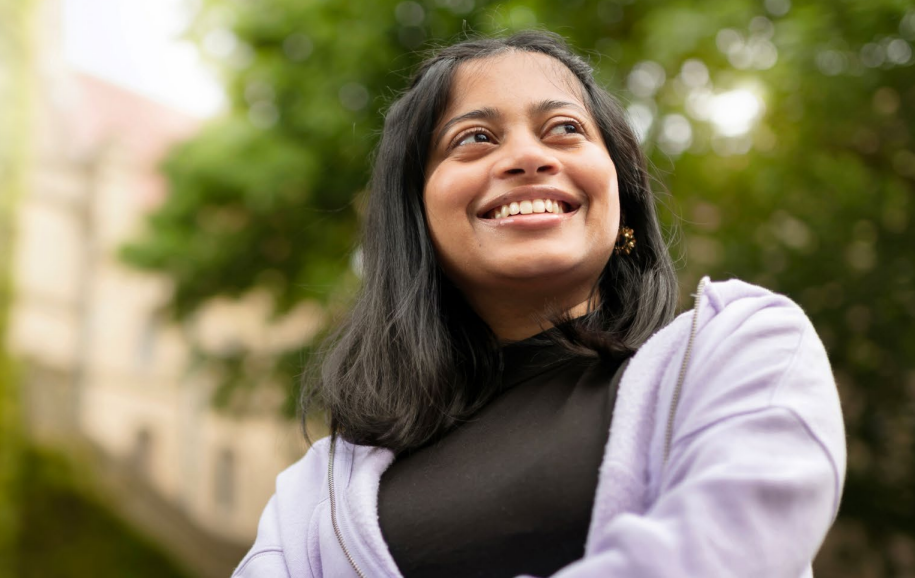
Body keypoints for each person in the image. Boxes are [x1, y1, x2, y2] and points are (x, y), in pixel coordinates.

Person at [233, 31, 846, 578]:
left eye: (566, 129)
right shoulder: (319, 492)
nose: (529, 156)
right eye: (473, 138)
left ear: (622, 196)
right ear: (417, 216)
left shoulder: (740, 349)